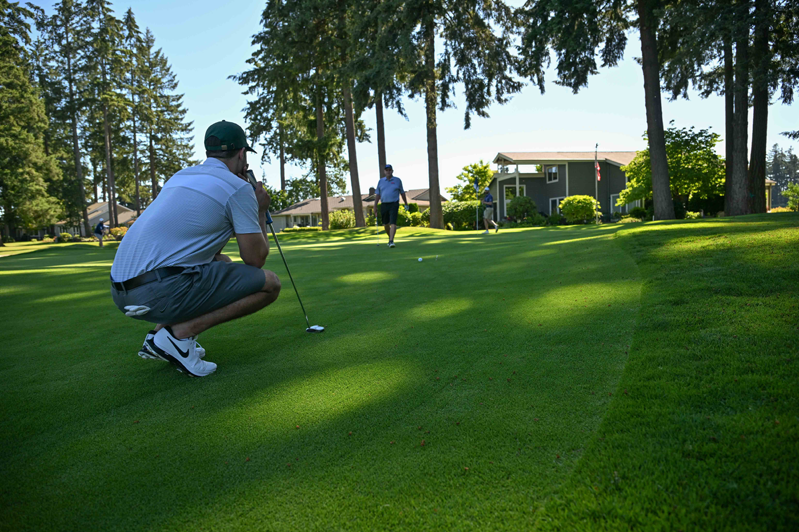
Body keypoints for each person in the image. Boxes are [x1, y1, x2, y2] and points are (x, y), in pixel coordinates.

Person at [109, 120, 281, 377]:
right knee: (270, 284)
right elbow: (255, 259)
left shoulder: (181, 176)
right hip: (157, 292)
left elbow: (206, 248)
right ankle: (178, 335)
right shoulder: (239, 188)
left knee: (221, 261)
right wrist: (260, 210)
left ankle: (156, 336)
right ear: (242, 154)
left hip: (121, 293)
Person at [373, 164, 409, 248]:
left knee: (393, 222)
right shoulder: (381, 181)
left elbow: (402, 193)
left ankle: (391, 241)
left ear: (392, 171)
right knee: (385, 224)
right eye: (386, 170)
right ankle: (390, 238)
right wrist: (375, 206)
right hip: (384, 204)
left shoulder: (397, 180)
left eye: (390, 170)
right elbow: (378, 195)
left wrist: (406, 203)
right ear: (384, 171)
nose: (388, 171)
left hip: (394, 203)